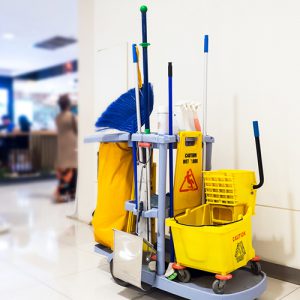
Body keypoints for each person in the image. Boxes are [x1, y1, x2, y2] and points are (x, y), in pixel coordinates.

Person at [55, 94, 78, 202]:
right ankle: (71, 192)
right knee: (73, 167)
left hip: (61, 144)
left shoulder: (58, 117)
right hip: (71, 143)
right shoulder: (71, 116)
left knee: (64, 167)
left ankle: (63, 191)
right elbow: (76, 129)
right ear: (68, 104)